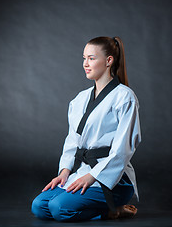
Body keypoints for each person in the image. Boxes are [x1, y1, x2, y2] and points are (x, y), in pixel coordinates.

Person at [31, 36, 141, 222]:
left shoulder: (125, 97)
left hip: (113, 179)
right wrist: (65, 171)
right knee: (40, 206)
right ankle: (101, 206)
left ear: (108, 61)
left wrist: (93, 176)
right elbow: (72, 139)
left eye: (91, 58)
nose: (85, 64)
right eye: (84, 58)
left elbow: (123, 149)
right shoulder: (80, 99)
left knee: (59, 209)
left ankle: (113, 211)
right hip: (83, 170)